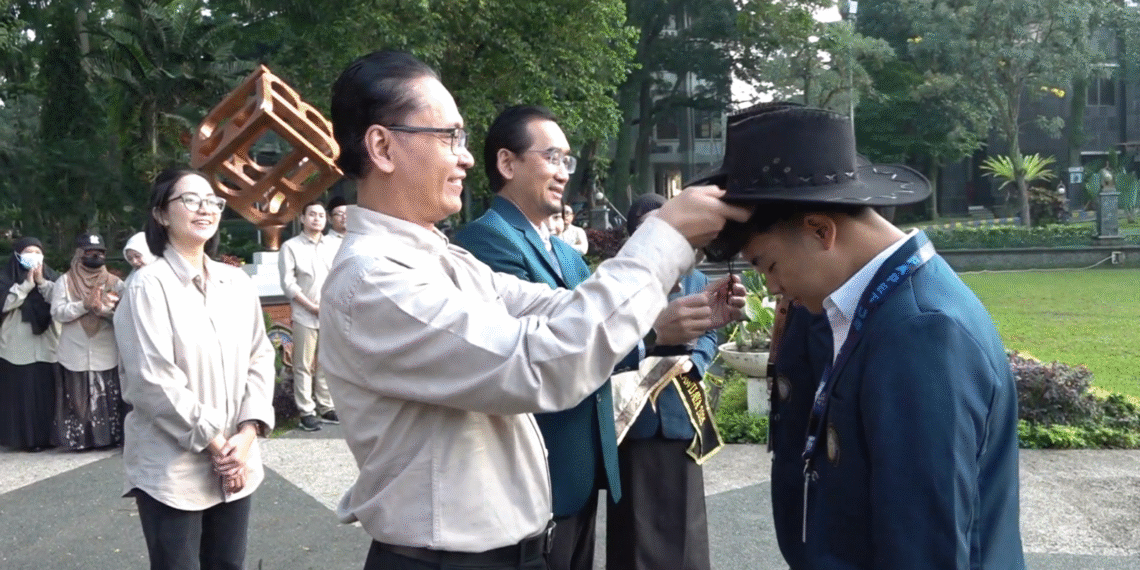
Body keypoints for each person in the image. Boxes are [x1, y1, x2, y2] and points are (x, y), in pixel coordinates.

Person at [320, 51, 748, 570]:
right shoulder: (375, 281)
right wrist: (666, 235)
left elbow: (558, 310)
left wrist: (666, 285)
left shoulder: (438, 259)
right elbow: (539, 361)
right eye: (447, 137)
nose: (465, 157)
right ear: (382, 147)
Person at [703, 103, 1025, 569]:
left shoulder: (922, 330)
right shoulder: (880, 307)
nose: (772, 288)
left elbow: (925, 549)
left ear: (820, 230)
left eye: (768, 265)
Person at [455, 106, 730, 570]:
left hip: (576, 466)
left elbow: (600, 337)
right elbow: (548, 348)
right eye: (552, 157)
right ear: (507, 163)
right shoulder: (485, 242)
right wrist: (655, 329)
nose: (564, 172)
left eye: (568, 160)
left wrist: (682, 325)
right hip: (532, 467)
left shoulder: (566, 253)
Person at [114, 168, 276, 570]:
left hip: (236, 461)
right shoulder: (147, 286)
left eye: (213, 201)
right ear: (162, 215)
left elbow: (260, 356)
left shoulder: (235, 283)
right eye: (190, 199)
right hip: (175, 469)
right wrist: (217, 445)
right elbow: (153, 381)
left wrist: (248, 432)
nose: (205, 208)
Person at [604, 192, 720, 570]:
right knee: (636, 530)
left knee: (688, 526)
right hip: (635, 420)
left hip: (681, 413)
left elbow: (709, 335)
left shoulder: (697, 278)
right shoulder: (614, 282)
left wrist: (697, 362)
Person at [50, 233, 126, 450]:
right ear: (79, 254)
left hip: (105, 349)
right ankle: (78, 441)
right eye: (91, 252)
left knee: (107, 397)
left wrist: (101, 310)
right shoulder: (64, 281)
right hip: (75, 350)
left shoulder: (115, 283)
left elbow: (126, 316)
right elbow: (57, 312)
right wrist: (83, 305)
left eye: (100, 252)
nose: (96, 256)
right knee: (76, 398)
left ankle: (107, 440)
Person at [278, 200, 339, 431]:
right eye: (311, 214)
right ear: (302, 218)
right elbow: (288, 283)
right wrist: (311, 306)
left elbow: (339, 276)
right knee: (303, 364)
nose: (317, 219)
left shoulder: (332, 246)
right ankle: (306, 411)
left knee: (327, 363)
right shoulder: (290, 247)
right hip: (305, 313)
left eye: (321, 215)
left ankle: (326, 407)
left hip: (331, 313)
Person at [0, 237, 61, 451]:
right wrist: (25, 286)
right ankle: (24, 440)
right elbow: (5, 303)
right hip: (17, 346)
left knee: (46, 393)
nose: (33, 256)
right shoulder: (5, 278)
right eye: (27, 252)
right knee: (22, 394)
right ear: (17, 255)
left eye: (37, 252)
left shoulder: (53, 277)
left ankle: (48, 438)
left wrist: (42, 282)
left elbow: (60, 300)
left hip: (47, 346)